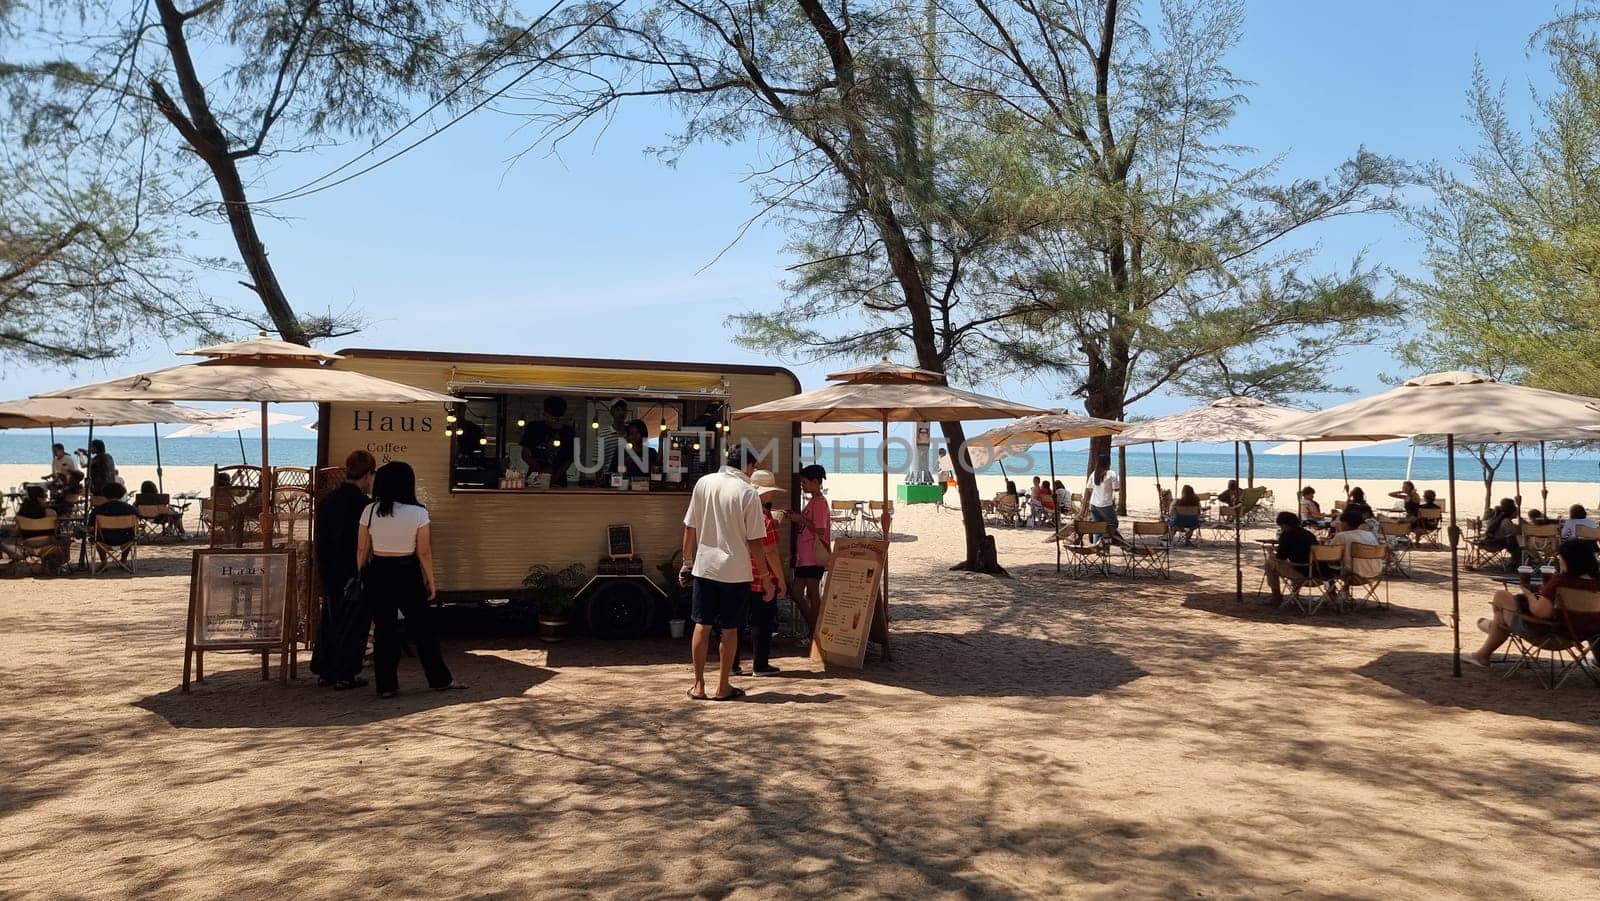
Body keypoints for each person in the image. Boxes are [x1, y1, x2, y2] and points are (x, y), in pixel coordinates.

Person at [679, 444, 780, 702]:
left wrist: (686, 563)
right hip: (736, 570)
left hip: (705, 565)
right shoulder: (747, 492)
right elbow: (756, 541)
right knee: (730, 628)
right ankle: (723, 685)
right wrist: (767, 579)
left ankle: (699, 684)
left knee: (702, 624)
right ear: (749, 466)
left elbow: (690, 527)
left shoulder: (704, 483)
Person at [357, 461, 465, 698]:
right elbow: (424, 552)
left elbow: (362, 550)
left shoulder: (371, 511)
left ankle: (386, 686)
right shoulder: (419, 513)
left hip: (378, 571)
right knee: (423, 629)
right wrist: (431, 580)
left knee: (385, 630)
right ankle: (439, 679)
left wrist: (361, 573)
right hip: (407, 571)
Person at [1467, 539, 1600, 668]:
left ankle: (1489, 639)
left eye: (1560, 557)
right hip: (1582, 634)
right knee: (1502, 614)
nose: (1559, 560)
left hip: (1550, 635)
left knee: (1501, 597)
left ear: (1568, 560)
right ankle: (1493, 631)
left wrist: (1529, 594)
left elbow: (1540, 612)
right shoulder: (1597, 583)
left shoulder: (1560, 582)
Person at [311, 450, 377, 690]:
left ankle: (325, 670)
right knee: (354, 622)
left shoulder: (327, 501)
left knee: (330, 618)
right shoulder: (365, 505)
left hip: (329, 567)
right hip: (353, 568)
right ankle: (346, 673)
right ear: (368, 474)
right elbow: (365, 543)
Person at [735, 470, 787, 677]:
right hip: (760, 576)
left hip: (738, 573)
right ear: (764, 493)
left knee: (736, 622)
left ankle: (732, 664)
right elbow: (771, 551)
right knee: (761, 622)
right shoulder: (764, 517)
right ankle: (760, 664)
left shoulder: (740, 512)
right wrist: (781, 579)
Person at [790, 464, 831, 633]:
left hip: (813, 556)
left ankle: (815, 629)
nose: (803, 486)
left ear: (815, 482)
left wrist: (800, 519)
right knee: (798, 593)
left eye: (805, 483)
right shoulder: (813, 501)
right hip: (805, 556)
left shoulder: (819, 503)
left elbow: (820, 529)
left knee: (811, 594)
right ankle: (813, 627)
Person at [519, 395, 576, 487]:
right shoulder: (534, 427)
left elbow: (568, 460)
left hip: (557, 480)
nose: (553, 420)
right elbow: (525, 454)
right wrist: (543, 472)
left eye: (556, 417)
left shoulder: (568, 432)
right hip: (536, 478)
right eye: (551, 415)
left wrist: (553, 477)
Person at [1264, 511, 1318, 605]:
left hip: (1301, 574)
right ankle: (1295, 594)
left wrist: (1270, 551)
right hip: (1319, 573)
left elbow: (1281, 558)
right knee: (1298, 563)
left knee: (1269, 563)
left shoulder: (1286, 535)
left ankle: (1276, 596)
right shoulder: (1309, 534)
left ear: (1284, 525)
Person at [87, 483, 138, 564]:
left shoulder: (97, 510)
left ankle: (103, 561)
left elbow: (91, 528)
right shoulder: (131, 509)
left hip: (104, 541)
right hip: (125, 540)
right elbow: (135, 528)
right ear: (122, 494)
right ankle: (123, 559)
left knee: (96, 536)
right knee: (131, 534)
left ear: (105, 494)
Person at [1329, 507, 1383, 583]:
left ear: (1345, 523)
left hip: (1354, 575)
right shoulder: (1369, 534)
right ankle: (1344, 591)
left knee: (1327, 564)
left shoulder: (1342, 536)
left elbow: (1330, 554)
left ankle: (1332, 590)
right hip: (1375, 573)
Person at [1475, 497, 1522, 568]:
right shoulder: (1506, 522)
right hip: (1495, 544)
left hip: (1487, 543)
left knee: (1512, 540)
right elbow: (1515, 533)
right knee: (1514, 541)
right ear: (1512, 512)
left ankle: (1516, 561)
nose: (1517, 514)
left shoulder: (1496, 518)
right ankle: (1517, 561)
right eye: (1516, 512)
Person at [1085, 455, 1120, 543]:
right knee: (1114, 523)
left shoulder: (1094, 473)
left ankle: (1096, 546)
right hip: (1105, 504)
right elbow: (1116, 488)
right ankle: (1104, 538)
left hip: (1093, 503)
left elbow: (1089, 488)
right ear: (1108, 463)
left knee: (1097, 526)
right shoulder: (1111, 473)